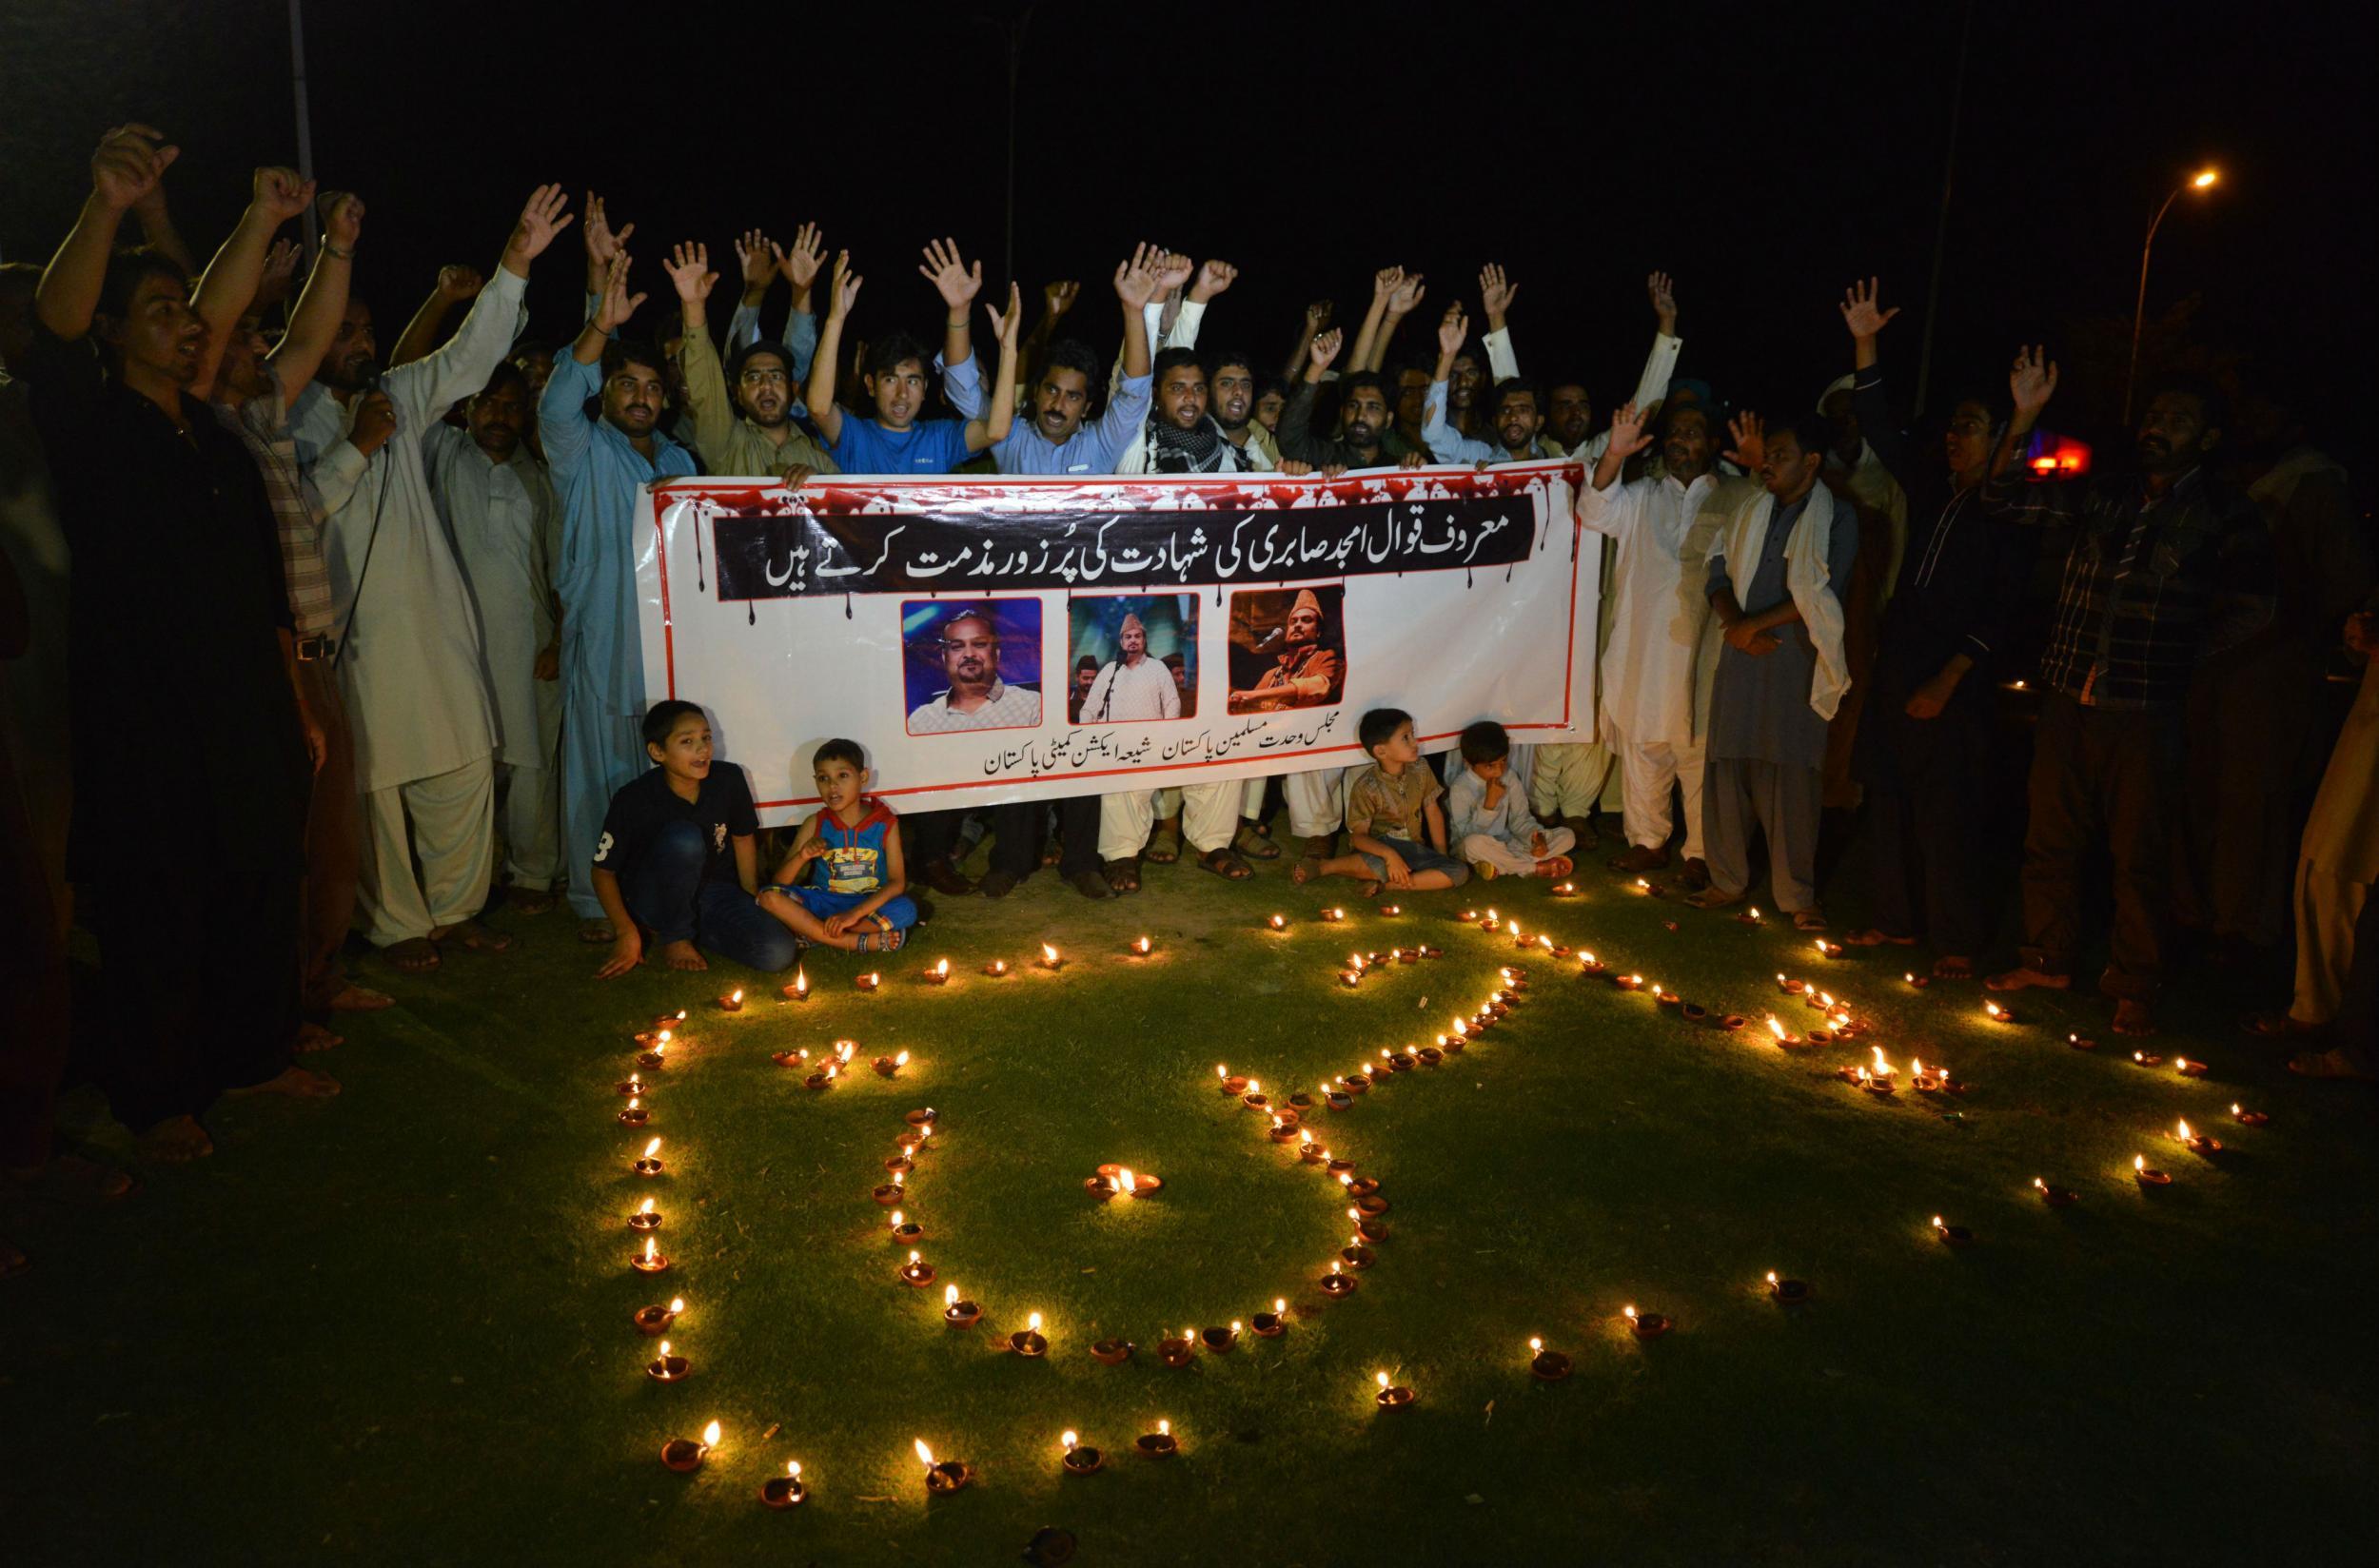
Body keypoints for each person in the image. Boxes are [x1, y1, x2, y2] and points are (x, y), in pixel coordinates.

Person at [26, 125, 338, 1159]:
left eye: (186, 312)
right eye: (159, 312)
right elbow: (58, 319)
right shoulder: (91, 424)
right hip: (144, 711)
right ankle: (155, 1100)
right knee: (155, 902)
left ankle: (253, 1057)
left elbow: (262, 597)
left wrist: (290, 700)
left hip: (243, 701)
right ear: (116, 334)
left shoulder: (215, 441)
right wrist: (108, 205)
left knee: (256, 878)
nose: (188, 326)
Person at [293, 185, 574, 974]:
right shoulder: (289, 415)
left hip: (437, 628)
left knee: (460, 767)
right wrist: (355, 448)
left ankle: (454, 911)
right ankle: (395, 926)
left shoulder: (400, 395)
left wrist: (514, 260)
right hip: (358, 637)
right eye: (340, 330)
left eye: (364, 330)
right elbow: (296, 516)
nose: (357, 341)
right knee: (376, 788)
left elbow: (469, 358)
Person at [1983, 357, 2277, 1035]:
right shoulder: (2108, 492)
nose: (2157, 430)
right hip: (2068, 694)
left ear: (2206, 439)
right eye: (2152, 417)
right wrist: (2024, 416)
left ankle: (2134, 979)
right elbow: (2002, 498)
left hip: (2145, 710)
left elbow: (2255, 607)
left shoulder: (2225, 512)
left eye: (2177, 422)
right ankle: (2046, 956)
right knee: (2049, 837)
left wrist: (2179, 653)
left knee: (2138, 852)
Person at [188, 180, 388, 1031]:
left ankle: (316, 979)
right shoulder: (203, 428)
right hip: (265, 660)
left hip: (312, 651)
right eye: (245, 339)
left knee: (330, 836)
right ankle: (270, 1008)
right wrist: (260, 222)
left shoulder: (262, 418)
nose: (265, 350)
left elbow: (310, 335)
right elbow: (223, 322)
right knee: (278, 843)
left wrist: (338, 248)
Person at [1834, 281, 2031, 977]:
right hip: (1899, 663)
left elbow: (2002, 610)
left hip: (1953, 681)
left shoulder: (2008, 510)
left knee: (1947, 817)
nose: (1954, 436)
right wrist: (1865, 343)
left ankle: (1954, 941)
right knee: (1886, 799)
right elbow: (1880, 426)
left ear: (2002, 435)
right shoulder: (1931, 487)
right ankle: (1893, 922)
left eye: (1971, 426)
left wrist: (1948, 680)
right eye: (1953, 426)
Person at [542, 249, 701, 946]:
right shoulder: (579, 447)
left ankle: (657, 893)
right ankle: (591, 901)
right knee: (598, 771)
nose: (641, 397)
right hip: (606, 638)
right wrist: (599, 326)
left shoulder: (677, 462)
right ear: (604, 393)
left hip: (670, 643)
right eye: (626, 385)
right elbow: (555, 397)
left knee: (660, 774)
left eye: (651, 388)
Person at [2178, 441, 2371, 960]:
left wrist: (2294, 626)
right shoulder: (2222, 481)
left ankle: (2241, 922)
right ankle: (2195, 910)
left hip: (2269, 671)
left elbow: (2345, 578)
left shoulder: (2313, 484)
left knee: (2252, 797)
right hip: (2215, 666)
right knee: (2203, 787)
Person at [1685, 410, 1858, 929]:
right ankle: (1727, 880)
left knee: (1790, 777)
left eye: (1780, 456)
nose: (1768, 466)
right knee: (1727, 769)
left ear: (1810, 461)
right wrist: (1737, 624)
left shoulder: (1837, 517)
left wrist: (1752, 627)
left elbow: (1823, 591)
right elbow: (1715, 570)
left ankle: (1796, 897)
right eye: (1767, 456)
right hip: (1741, 657)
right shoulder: (1748, 510)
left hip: (1793, 659)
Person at [423, 362, 563, 912]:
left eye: (511, 406)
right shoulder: (444, 457)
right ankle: (465, 884)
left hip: (529, 647)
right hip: (455, 646)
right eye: (489, 403)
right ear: (468, 407)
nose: (500, 416)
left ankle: (531, 875)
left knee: (531, 764)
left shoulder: (543, 479)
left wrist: (559, 641)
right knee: (466, 763)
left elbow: (560, 570)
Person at [1576, 398, 1725, 880]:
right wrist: (1614, 456)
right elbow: (1594, 512)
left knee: (1700, 752)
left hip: (1705, 650)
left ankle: (1701, 851)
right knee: (1644, 744)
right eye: (1675, 434)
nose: (1681, 441)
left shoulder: (1732, 498)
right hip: (1643, 649)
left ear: (1713, 444)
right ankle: (1648, 840)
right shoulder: (1640, 496)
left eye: (1693, 433)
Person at [2246, 607, 2379, 1076]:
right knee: (2324, 864)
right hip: (2367, 732)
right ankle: (2317, 1007)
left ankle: (2353, 1035)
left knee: (2350, 871)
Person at [591, 700, 796, 978]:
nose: (703, 749)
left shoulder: (728, 779)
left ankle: (690, 928)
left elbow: (742, 837)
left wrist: (751, 900)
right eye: (687, 741)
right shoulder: (634, 798)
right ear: (657, 751)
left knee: (777, 953)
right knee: (685, 838)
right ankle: (675, 937)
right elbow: (603, 872)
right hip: (655, 896)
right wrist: (625, 931)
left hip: (713, 892)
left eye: (706, 738)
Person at [940, 243, 1153, 474]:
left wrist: (1133, 310)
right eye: (1051, 390)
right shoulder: (1010, 435)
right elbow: (962, 390)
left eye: (1072, 397)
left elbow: (1135, 394)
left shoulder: (1101, 444)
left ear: (1086, 407)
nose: (1058, 405)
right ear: (1035, 392)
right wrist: (959, 310)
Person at [806, 244, 1017, 475]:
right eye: (890, 380)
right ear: (870, 384)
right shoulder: (854, 435)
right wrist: (835, 319)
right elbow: (819, 408)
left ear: (925, 387)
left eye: (913, 381)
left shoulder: (940, 438)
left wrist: (1008, 350)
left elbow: (996, 431)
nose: (902, 394)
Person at [663, 241, 835, 485]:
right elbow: (705, 384)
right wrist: (693, 306)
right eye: (753, 377)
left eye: (776, 376)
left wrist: (821, 486)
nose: (766, 385)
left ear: (794, 389)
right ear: (738, 393)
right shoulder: (724, 442)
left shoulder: (820, 459)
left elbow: (847, 514)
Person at [757, 738, 917, 953]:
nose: (832, 786)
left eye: (842, 776)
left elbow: (897, 883)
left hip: (867, 903)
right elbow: (781, 882)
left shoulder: (885, 823)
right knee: (768, 896)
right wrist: (802, 856)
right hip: (824, 902)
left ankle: (815, 932)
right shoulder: (815, 823)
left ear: (863, 777)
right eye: (823, 778)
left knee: (906, 909)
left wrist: (853, 915)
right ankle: (855, 941)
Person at [1296, 708, 1469, 894]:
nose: (1415, 742)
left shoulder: (1421, 769)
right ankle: (1324, 867)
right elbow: (1358, 837)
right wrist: (1389, 855)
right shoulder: (1366, 787)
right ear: (1380, 751)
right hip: (1378, 850)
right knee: (1377, 864)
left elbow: (1432, 810)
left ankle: (1386, 885)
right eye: (1406, 737)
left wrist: (1440, 856)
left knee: (1459, 871)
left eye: (1413, 734)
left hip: (1414, 849)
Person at [1088, 609, 1183, 892]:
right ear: (1120, 641)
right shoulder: (1110, 670)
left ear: (1144, 639)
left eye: (1137, 636)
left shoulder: (1157, 669)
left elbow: (1172, 704)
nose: (1132, 641)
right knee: (1116, 795)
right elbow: (1090, 707)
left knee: (1136, 797)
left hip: (1150, 746)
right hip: (1113, 748)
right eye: (1127, 637)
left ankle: (1126, 854)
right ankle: (1122, 856)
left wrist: (1166, 736)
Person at [1450, 721, 1575, 879]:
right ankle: (1533, 867)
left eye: (1503, 761)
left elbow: (1521, 819)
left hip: (1508, 844)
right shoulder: (1460, 788)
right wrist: (1489, 805)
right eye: (1490, 766)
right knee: (1473, 844)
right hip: (1476, 846)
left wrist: (1536, 839)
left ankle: (1500, 866)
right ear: (1468, 763)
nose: (1499, 770)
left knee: (1568, 835)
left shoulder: (1509, 777)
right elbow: (1465, 835)